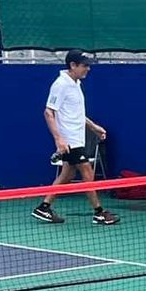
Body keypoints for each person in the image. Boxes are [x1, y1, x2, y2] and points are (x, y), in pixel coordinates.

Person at [32, 49, 118, 226]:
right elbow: (48, 112)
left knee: (68, 173)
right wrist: (59, 140)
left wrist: (94, 127)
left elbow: (76, 113)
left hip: (77, 138)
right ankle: (99, 212)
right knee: (87, 171)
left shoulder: (76, 83)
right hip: (69, 140)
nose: (88, 69)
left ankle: (44, 207)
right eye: (84, 65)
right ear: (73, 65)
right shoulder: (61, 84)